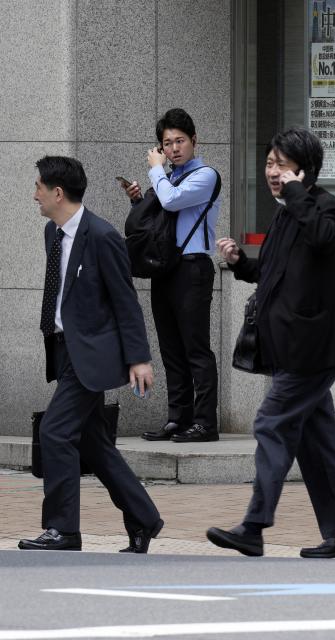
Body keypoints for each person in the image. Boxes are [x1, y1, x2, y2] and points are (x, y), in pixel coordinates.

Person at [206, 127, 335, 559]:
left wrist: (296, 196)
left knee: (271, 424)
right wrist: (241, 263)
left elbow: (323, 240)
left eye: (281, 164)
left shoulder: (323, 206)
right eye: (269, 163)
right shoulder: (284, 213)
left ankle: (254, 526)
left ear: (303, 170)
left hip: (312, 350)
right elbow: (274, 273)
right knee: (318, 445)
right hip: (291, 347)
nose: (272, 172)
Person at [19, 156, 164, 553]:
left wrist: (139, 358)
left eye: (39, 187)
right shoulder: (53, 232)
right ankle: (144, 518)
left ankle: (63, 530)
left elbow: (125, 300)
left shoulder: (102, 236)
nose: (35, 195)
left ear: (57, 192)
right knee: (93, 443)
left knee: (55, 432)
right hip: (64, 350)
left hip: (93, 355)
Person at [132, 108, 222, 443]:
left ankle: (204, 422)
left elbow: (170, 203)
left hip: (193, 269)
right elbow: (157, 226)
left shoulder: (206, 176)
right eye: (167, 143)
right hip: (166, 270)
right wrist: (139, 201)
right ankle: (178, 418)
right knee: (171, 349)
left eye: (180, 141)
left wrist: (156, 171)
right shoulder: (167, 179)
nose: (173, 149)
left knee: (196, 349)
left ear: (194, 140)